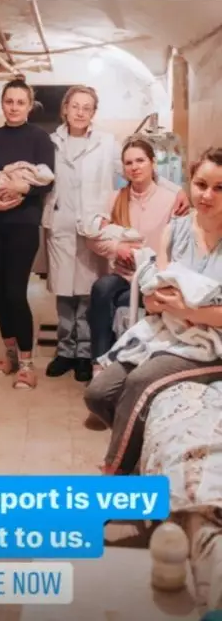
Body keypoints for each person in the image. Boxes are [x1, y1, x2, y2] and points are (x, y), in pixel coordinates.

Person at [84, 147, 222, 474]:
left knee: (140, 381)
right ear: (190, 182)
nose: (207, 195)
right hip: (169, 330)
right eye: (201, 185)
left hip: (211, 343)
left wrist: (187, 310)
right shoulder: (175, 231)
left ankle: (115, 472)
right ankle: (138, 447)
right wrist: (166, 304)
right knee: (97, 394)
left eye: (220, 188)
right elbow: (154, 297)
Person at [41, 85, 189, 383]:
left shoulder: (106, 142)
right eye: (75, 106)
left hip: (95, 223)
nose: (80, 112)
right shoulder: (51, 142)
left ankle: (85, 353)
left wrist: (178, 190)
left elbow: (136, 169)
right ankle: (65, 350)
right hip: (61, 224)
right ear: (65, 109)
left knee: (88, 291)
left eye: (87, 107)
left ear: (93, 112)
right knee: (63, 293)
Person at [0, 78, 55, 389]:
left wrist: (23, 187)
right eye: (9, 101)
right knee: (0, 294)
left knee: (16, 292)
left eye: (20, 102)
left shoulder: (40, 138)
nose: (14, 107)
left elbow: (49, 181)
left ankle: (27, 363)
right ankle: (11, 355)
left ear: (29, 106)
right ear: (2, 104)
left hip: (23, 226)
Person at [87, 135, 179, 371]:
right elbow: (94, 238)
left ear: (152, 163)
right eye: (128, 163)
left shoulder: (172, 200)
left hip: (155, 275)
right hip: (123, 274)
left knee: (136, 301)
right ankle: (99, 363)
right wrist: (117, 248)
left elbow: (180, 242)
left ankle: (140, 363)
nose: (134, 167)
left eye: (140, 161)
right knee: (101, 289)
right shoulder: (116, 198)